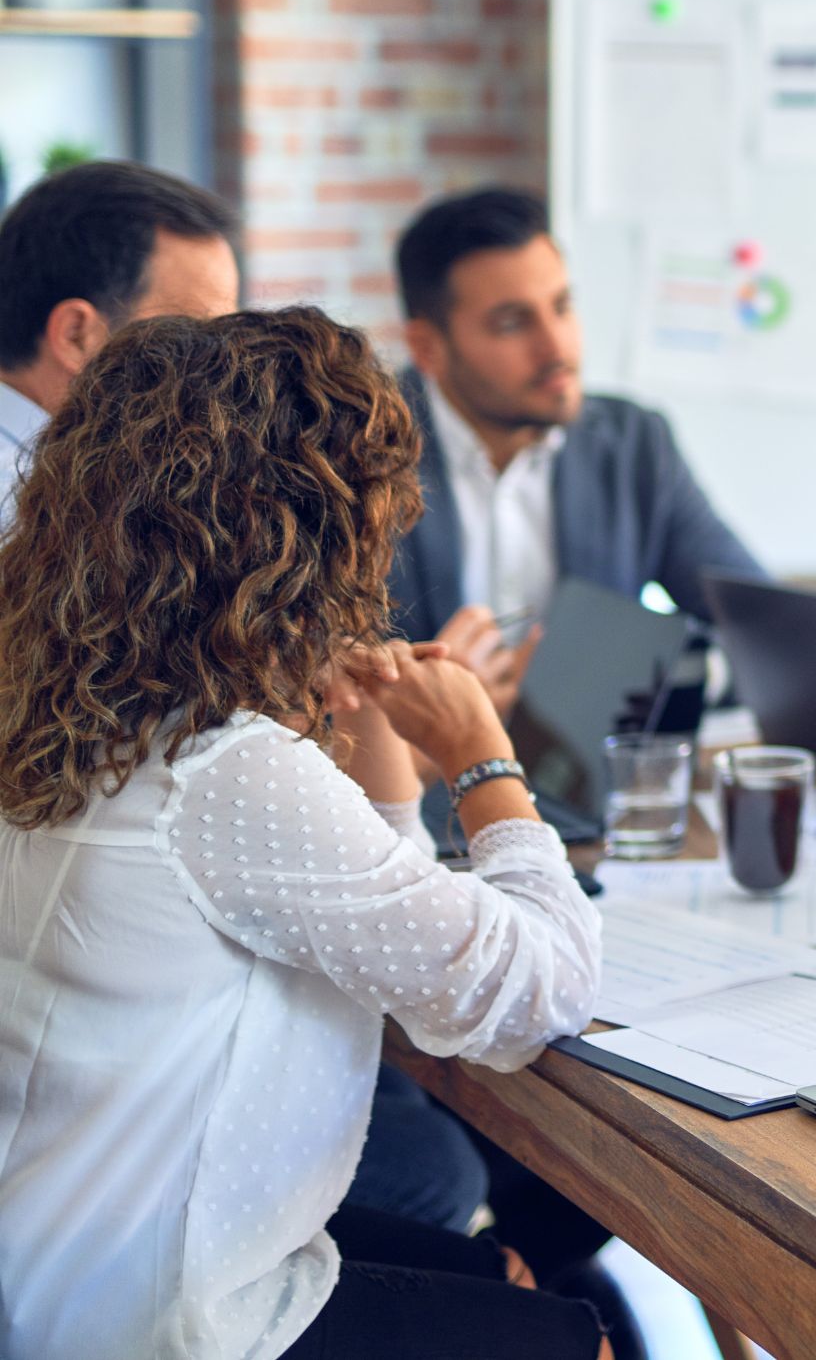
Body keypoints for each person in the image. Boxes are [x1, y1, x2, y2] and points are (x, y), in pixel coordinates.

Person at [0, 308, 607, 1359]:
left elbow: (364, 909)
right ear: (300, 537)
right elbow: (538, 992)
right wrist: (481, 754)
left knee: (492, 1272)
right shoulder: (225, 769)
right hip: (155, 1314)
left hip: (55, 1250)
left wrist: (370, 726)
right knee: (570, 1338)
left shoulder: (77, 705)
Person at [387, 186, 763, 702]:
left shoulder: (634, 446)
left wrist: (658, 675)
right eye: (513, 323)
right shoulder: (354, 456)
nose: (557, 346)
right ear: (428, 348)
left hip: (592, 777)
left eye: (562, 307)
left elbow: (761, 624)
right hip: (413, 779)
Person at [0, 159, 242, 527]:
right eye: (191, 336)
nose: (219, 362)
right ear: (76, 335)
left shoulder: (79, 475)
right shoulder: (25, 515)